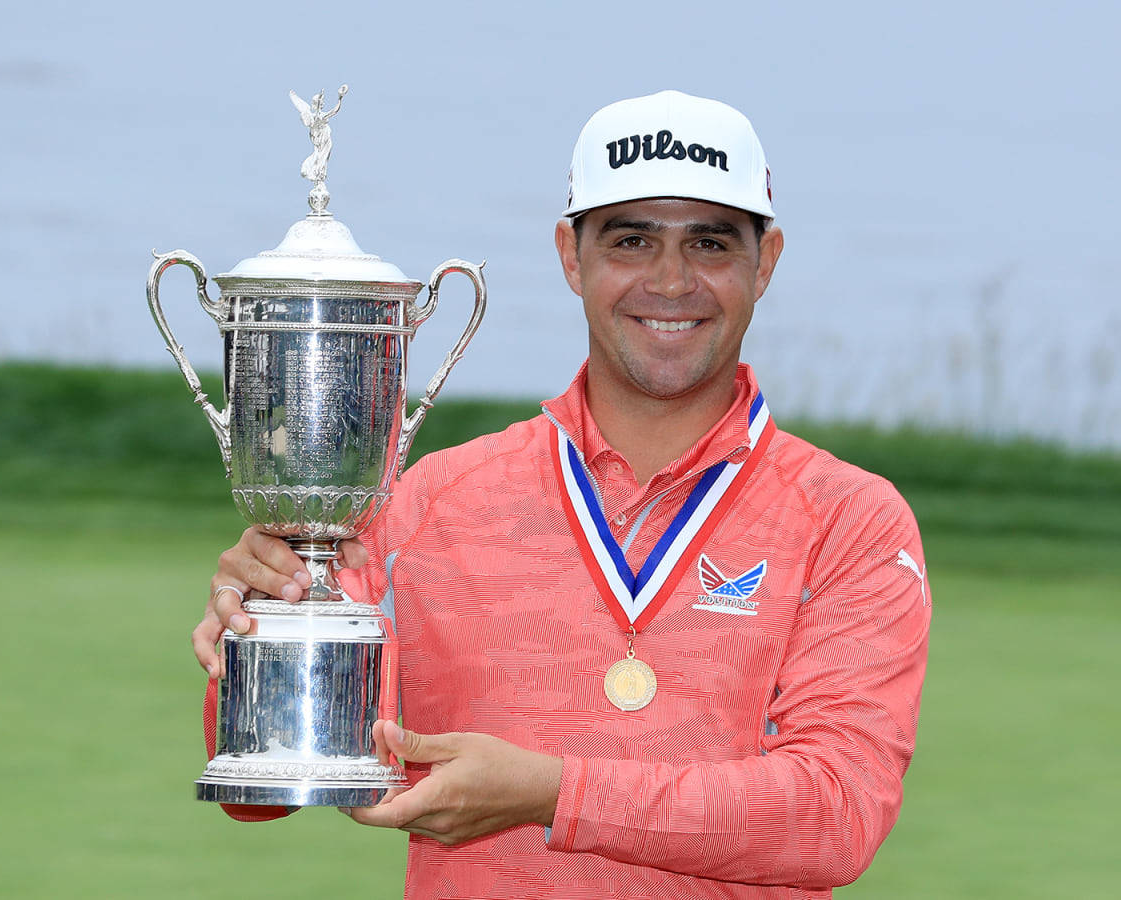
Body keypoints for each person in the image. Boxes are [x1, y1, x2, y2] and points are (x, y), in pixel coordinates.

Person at [193, 90, 931, 899]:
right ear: (570, 256)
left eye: (711, 243)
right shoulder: (427, 501)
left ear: (768, 259)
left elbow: (835, 815)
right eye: (631, 240)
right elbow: (261, 793)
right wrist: (263, 626)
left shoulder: (848, 518)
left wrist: (552, 791)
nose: (671, 280)